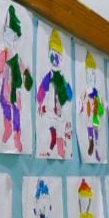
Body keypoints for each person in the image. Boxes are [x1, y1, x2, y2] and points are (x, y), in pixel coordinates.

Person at [0, 5, 32, 152]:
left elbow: (22, 67)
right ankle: (8, 128)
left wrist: (26, 74)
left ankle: (17, 136)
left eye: (12, 33)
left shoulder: (16, 57)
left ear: (15, 36)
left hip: (15, 90)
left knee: (16, 110)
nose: (8, 35)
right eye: (6, 31)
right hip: (4, 88)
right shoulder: (4, 53)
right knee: (5, 104)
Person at [37, 29, 74, 157]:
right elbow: (42, 90)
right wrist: (40, 102)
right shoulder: (49, 76)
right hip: (50, 110)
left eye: (56, 57)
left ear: (61, 58)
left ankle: (60, 150)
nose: (54, 60)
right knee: (52, 127)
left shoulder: (61, 78)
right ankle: (53, 141)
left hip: (60, 113)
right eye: (52, 56)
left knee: (60, 131)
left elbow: (69, 94)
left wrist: (67, 89)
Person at [81, 51, 105, 161]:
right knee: (90, 130)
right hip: (88, 117)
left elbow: (101, 111)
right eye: (88, 74)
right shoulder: (86, 92)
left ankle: (97, 150)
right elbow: (82, 102)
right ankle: (91, 142)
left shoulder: (97, 94)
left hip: (95, 119)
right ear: (85, 75)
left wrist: (101, 105)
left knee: (97, 135)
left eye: (93, 74)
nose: (91, 77)